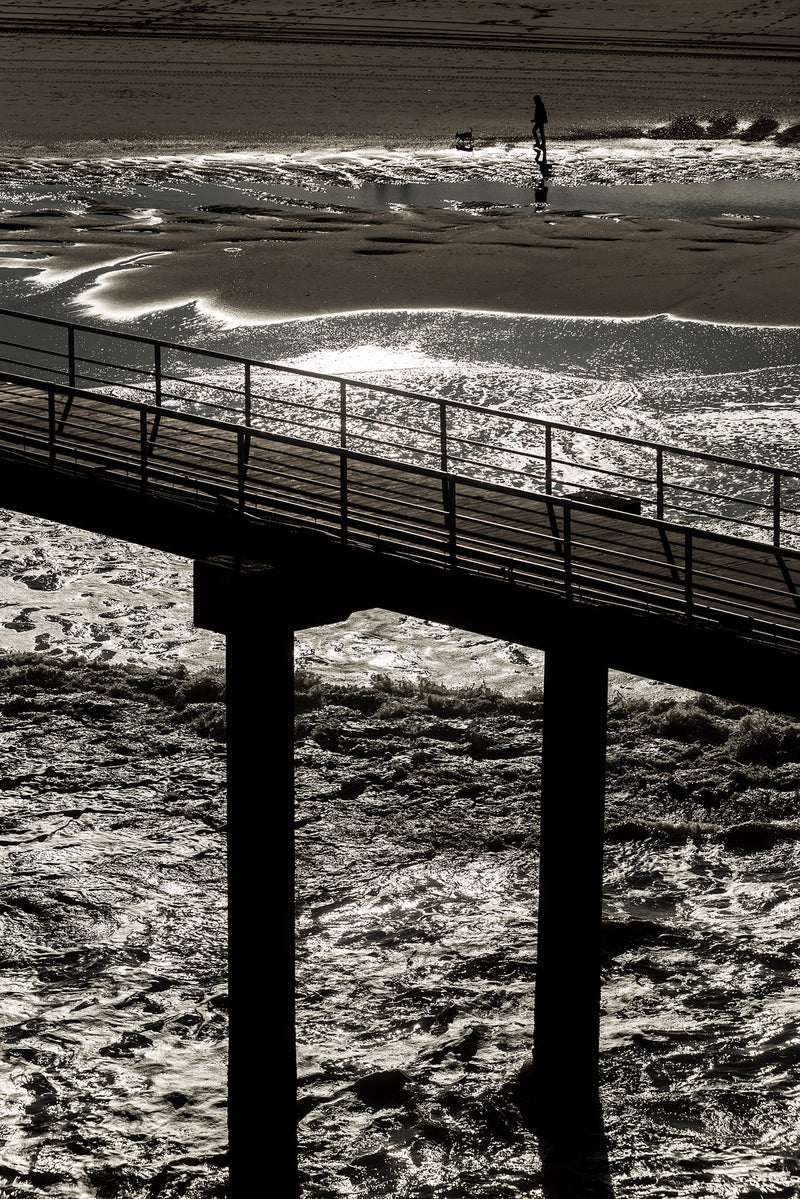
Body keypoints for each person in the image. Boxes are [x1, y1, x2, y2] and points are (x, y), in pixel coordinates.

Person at [532, 94, 548, 159]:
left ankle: (538, 143)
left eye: (535, 100)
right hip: (540, 120)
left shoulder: (539, 105)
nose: (534, 101)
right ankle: (542, 144)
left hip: (540, 121)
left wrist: (535, 120)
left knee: (534, 131)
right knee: (541, 132)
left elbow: (539, 114)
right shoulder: (540, 104)